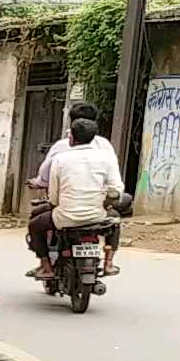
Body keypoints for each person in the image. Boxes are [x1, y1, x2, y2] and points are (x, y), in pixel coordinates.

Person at [26, 103, 122, 276]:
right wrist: (105, 204)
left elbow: (54, 198)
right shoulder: (106, 153)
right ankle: (109, 263)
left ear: (71, 137)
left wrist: (57, 204)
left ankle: (46, 267)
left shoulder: (60, 157)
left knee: (34, 225)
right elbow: (115, 189)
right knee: (115, 221)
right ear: (94, 135)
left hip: (65, 216)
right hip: (97, 214)